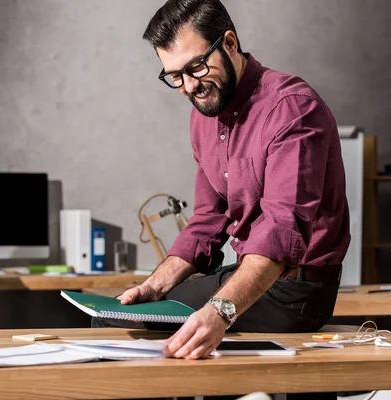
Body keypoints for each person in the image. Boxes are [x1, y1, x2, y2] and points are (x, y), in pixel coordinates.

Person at [93, 0, 351, 362]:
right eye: (174, 76)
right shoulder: (205, 116)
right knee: (122, 315)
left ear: (229, 43)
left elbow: (282, 229)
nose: (188, 87)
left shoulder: (292, 108)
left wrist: (221, 312)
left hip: (298, 292)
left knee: (126, 327)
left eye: (195, 67)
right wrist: (155, 284)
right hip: (254, 276)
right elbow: (206, 223)